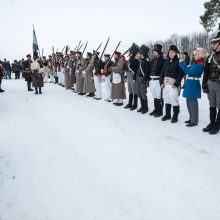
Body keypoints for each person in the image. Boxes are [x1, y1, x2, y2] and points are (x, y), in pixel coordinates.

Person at [179, 48, 207, 127]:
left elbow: (188, 71)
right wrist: (185, 65)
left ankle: (194, 120)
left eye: (195, 55)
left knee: (193, 103)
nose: (194, 56)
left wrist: (182, 63)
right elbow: (188, 69)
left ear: (199, 55)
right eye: (193, 54)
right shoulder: (196, 63)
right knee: (188, 101)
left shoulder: (200, 64)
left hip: (193, 84)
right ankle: (191, 118)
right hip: (190, 83)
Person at [202, 24, 220, 135]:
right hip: (210, 83)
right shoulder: (210, 57)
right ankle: (211, 123)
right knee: (212, 105)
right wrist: (204, 84)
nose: (212, 45)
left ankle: (217, 125)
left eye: (214, 43)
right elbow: (206, 71)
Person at [160, 45, 184, 123]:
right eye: (170, 52)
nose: (171, 54)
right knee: (166, 99)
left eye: (172, 52)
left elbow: (181, 73)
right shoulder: (166, 61)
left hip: (173, 84)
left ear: (175, 53)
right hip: (165, 84)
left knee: (174, 100)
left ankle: (175, 116)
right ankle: (167, 114)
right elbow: (162, 72)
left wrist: (176, 84)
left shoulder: (178, 61)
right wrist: (161, 82)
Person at [149, 44, 165, 117]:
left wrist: (162, 81)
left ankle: (160, 111)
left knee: (159, 96)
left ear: (159, 52)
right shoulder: (152, 60)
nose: (154, 53)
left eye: (155, 52)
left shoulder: (163, 60)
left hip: (158, 80)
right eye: (153, 52)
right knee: (155, 96)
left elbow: (164, 72)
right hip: (152, 80)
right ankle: (156, 109)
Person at [134, 45, 150, 114]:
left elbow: (147, 72)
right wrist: (135, 78)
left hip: (143, 79)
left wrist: (145, 80)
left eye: (140, 53)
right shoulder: (140, 61)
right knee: (138, 92)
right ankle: (142, 106)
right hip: (138, 78)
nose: (138, 54)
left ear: (142, 54)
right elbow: (137, 70)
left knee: (143, 94)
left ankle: (145, 107)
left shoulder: (146, 61)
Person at [124, 43, 140, 110]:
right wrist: (125, 75)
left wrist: (134, 78)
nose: (128, 52)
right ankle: (130, 103)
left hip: (133, 75)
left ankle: (135, 104)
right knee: (130, 89)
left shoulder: (136, 59)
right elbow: (127, 67)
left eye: (129, 51)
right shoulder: (130, 58)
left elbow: (136, 69)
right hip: (128, 74)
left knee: (134, 90)